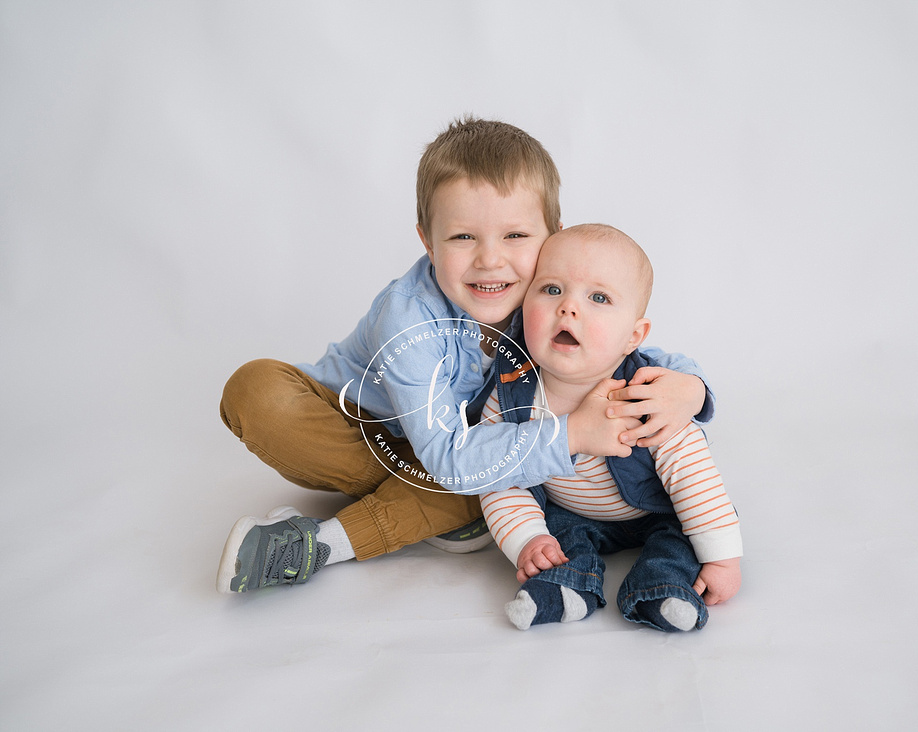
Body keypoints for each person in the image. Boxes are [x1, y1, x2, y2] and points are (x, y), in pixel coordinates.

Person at [216, 118, 716, 594]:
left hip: (463, 452)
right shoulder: (408, 319)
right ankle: (434, 502)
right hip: (356, 424)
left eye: (516, 235)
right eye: (462, 237)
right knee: (257, 390)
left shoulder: (548, 299)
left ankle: (321, 545)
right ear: (428, 242)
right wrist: (575, 433)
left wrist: (689, 387)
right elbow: (450, 458)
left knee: (482, 482)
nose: (490, 260)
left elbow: (617, 349)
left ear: (553, 235)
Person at [479, 224, 742, 631]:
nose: (568, 308)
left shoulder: (646, 392)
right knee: (557, 538)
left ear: (632, 336)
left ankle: (663, 588)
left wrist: (722, 557)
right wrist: (527, 539)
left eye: (598, 298)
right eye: (551, 289)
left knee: (681, 539)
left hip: (656, 508)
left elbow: (692, 473)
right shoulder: (512, 393)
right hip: (570, 511)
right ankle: (566, 587)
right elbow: (499, 473)